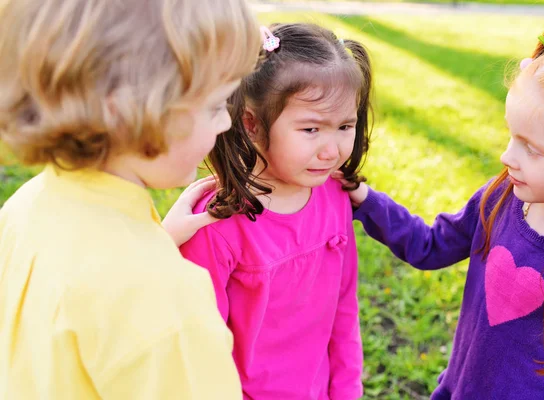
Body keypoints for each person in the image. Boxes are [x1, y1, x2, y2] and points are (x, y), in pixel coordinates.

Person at [0, 0, 260, 398]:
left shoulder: (25, 207)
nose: (226, 122)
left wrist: (155, 240)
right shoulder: (167, 302)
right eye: (214, 105)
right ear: (125, 110)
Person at [336, 27, 544, 398]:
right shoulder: (498, 201)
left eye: (532, 148)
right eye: (511, 136)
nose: (507, 157)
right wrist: (365, 200)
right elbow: (429, 245)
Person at [179, 23, 373, 399]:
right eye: (311, 129)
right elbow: (200, 347)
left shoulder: (333, 197)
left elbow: (343, 310)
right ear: (252, 124)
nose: (331, 150)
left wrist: (347, 389)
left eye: (345, 125)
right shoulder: (215, 225)